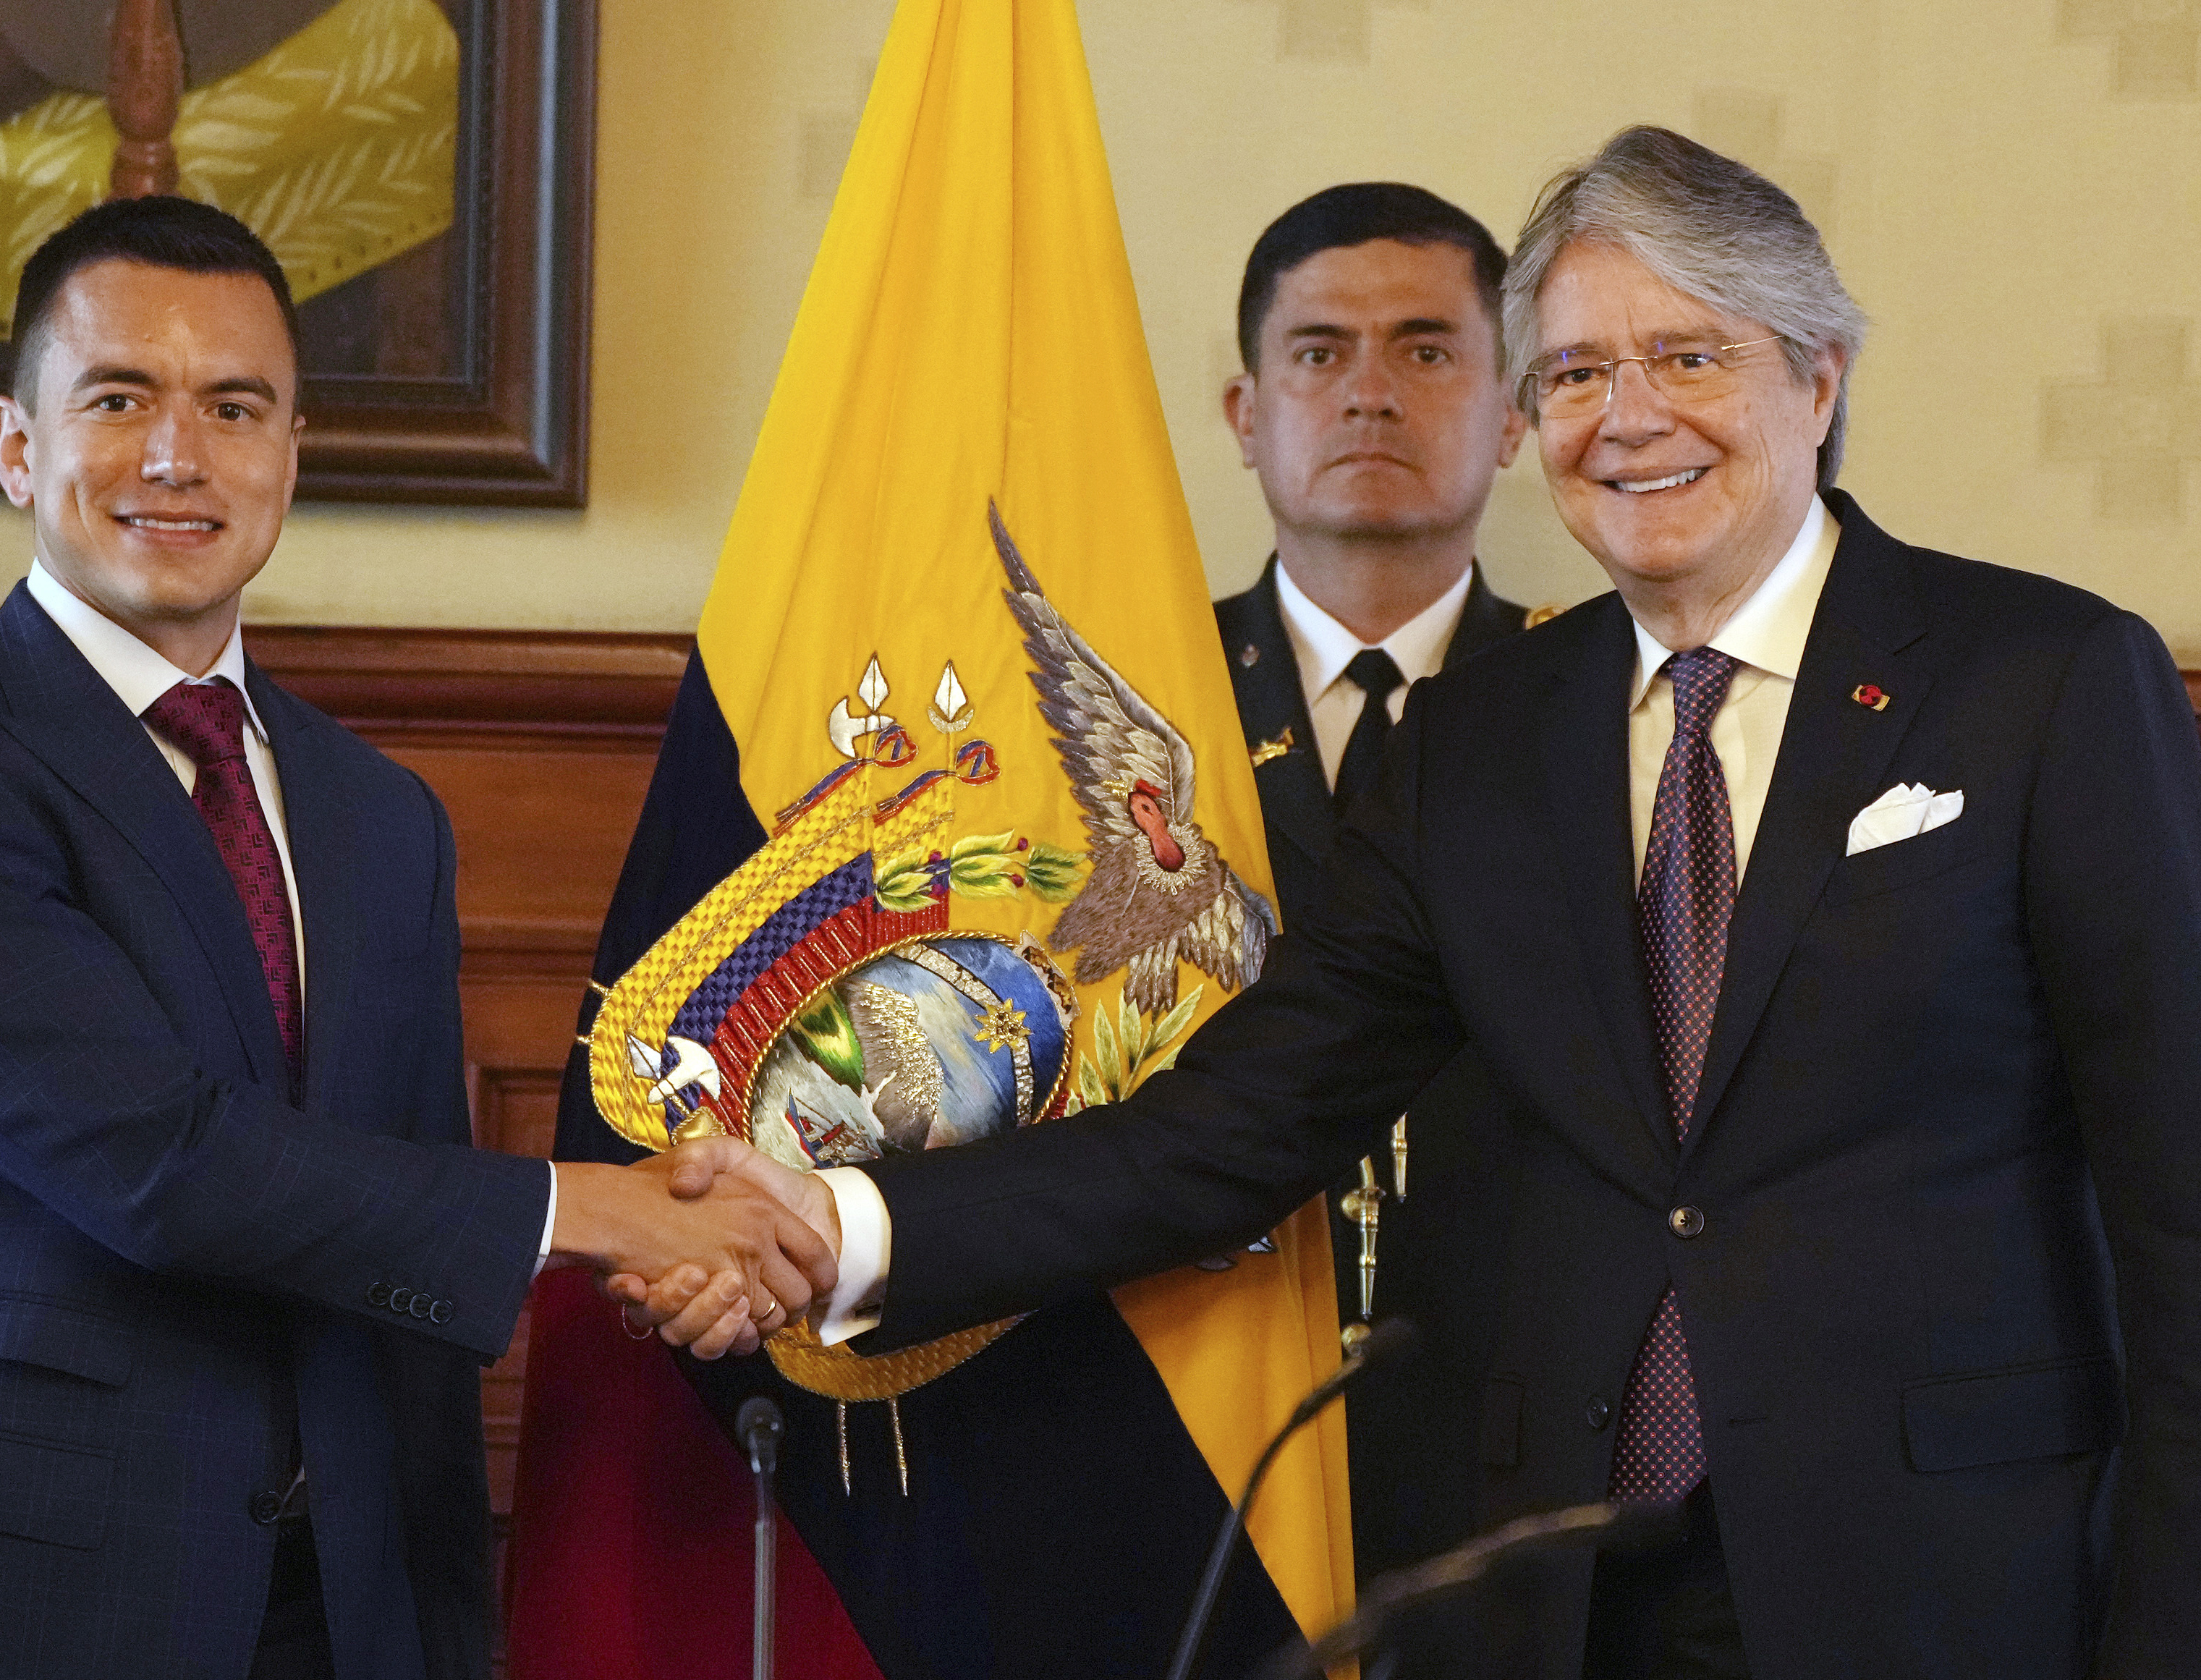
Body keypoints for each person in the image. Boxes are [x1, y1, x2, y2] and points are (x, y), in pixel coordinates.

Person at [643, 127, 2201, 1679]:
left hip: (1941, 1583)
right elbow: (1234, 1127)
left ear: (1818, 377)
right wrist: (836, 1223)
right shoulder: (1476, 740)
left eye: (1687, 356)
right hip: (1555, 1590)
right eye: (1575, 374)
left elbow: (2179, 1198)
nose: (1628, 417)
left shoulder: (2044, 680)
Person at [0, 196, 831, 1680]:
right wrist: (602, 1213)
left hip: (342, 1605)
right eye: (118, 399)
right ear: (15, 446)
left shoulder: (382, 816)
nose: (177, 455)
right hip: (0, 1597)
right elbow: (158, 1163)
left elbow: (402, 1226)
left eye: (234, 406)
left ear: (291, 454)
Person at [1212, 181, 1538, 1615]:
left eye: (1424, 348)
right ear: (1245, 413)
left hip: (1513, 1404)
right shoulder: (1131, 711)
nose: (1367, 393)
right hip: (1206, 1386)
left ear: (1513, 412)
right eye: (1318, 351)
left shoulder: (1603, 705)